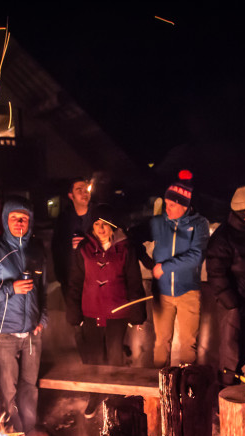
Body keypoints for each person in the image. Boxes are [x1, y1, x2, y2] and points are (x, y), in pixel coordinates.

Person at [0, 197, 51, 436]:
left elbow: (44, 288)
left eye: (24, 219)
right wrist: (10, 288)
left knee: (30, 385)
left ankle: (29, 427)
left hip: (31, 332)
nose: (19, 223)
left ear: (31, 222)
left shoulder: (36, 250)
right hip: (2, 332)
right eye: (15, 218)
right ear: (5, 220)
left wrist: (43, 318)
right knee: (8, 389)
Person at [65, 203, 146, 417]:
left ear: (112, 226)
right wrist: (74, 313)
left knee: (114, 356)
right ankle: (95, 394)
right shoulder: (83, 249)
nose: (100, 228)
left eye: (105, 224)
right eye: (97, 224)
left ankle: (116, 399)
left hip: (117, 313)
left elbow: (134, 281)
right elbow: (75, 281)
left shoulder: (125, 248)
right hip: (90, 312)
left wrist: (137, 314)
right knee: (93, 357)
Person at [205, 185, 245, 384]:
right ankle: (226, 389)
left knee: (244, 347)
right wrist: (231, 304)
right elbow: (216, 274)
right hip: (233, 303)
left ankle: (235, 379)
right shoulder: (223, 238)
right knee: (230, 349)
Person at [148, 170, 209, 367]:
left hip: (188, 292)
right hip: (163, 294)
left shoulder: (199, 224)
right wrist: (149, 263)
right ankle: (157, 391)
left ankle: (186, 389)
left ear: (184, 206)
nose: (168, 209)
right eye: (166, 204)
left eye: (172, 205)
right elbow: (131, 238)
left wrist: (165, 267)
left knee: (188, 344)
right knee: (160, 343)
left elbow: (196, 256)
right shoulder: (159, 223)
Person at [52, 177, 92, 286]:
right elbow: (57, 249)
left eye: (86, 189)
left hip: (95, 279)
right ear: (71, 195)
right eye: (79, 190)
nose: (84, 193)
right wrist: (62, 276)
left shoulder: (98, 217)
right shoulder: (64, 220)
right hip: (71, 280)